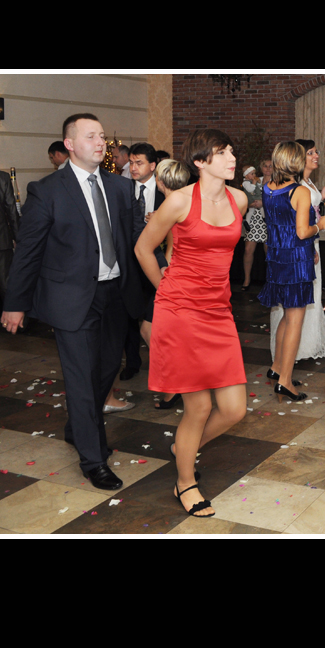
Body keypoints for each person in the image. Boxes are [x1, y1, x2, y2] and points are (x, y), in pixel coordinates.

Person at [1, 113, 145, 491]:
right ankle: (93, 459)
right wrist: (14, 303)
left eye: (102, 136)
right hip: (72, 299)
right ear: (69, 144)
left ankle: (77, 427)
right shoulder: (47, 190)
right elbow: (28, 252)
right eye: (91, 136)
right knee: (81, 378)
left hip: (115, 295)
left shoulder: (120, 187)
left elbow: (137, 243)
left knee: (106, 370)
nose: (100, 143)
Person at [135, 129, 249, 518]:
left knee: (234, 409)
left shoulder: (239, 199)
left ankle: (185, 447)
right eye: (222, 152)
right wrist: (165, 289)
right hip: (180, 313)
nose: (232, 158)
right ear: (200, 162)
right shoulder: (179, 201)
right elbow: (143, 248)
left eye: (231, 150)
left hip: (218, 311)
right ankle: (185, 481)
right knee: (198, 407)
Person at [259, 142, 325, 402]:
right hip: (296, 260)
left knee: (285, 316)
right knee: (295, 320)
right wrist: (321, 225)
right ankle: (285, 382)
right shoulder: (299, 191)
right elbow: (302, 232)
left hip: (277, 257)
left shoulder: (268, 187)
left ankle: (277, 367)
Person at [269, 138, 325, 361]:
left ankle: (286, 360)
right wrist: (318, 229)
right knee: (295, 312)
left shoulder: (283, 185)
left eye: (316, 152)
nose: (315, 156)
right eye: (310, 153)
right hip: (300, 249)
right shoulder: (297, 188)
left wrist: (321, 196)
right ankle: (287, 366)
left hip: (291, 247)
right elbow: (298, 228)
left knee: (296, 308)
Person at [139, 158, 192, 411]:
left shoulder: (170, 206)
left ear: (160, 182)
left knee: (151, 330)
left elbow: (171, 246)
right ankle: (179, 381)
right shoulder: (189, 202)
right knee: (158, 331)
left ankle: (176, 384)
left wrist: (165, 275)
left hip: (173, 277)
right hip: (186, 276)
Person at [119, 142, 165, 383]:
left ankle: (165, 362)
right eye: (131, 163)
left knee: (156, 314)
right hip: (130, 262)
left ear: (153, 165)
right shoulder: (122, 190)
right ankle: (132, 362)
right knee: (128, 314)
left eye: (139, 163)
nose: (133, 168)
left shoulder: (167, 192)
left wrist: (163, 220)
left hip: (158, 262)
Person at [241, 166, 266, 291]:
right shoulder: (254, 180)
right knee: (248, 250)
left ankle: (271, 280)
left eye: (270, 166)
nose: (268, 169)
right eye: (265, 166)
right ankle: (247, 279)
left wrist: (263, 203)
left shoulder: (276, 181)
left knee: (269, 251)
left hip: (267, 218)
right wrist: (249, 204)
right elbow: (245, 197)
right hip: (253, 217)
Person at [0, 170, 20, 311]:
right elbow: (12, 210)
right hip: (0, 240)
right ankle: (14, 316)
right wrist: (18, 238)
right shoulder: (2, 177)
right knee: (6, 283)